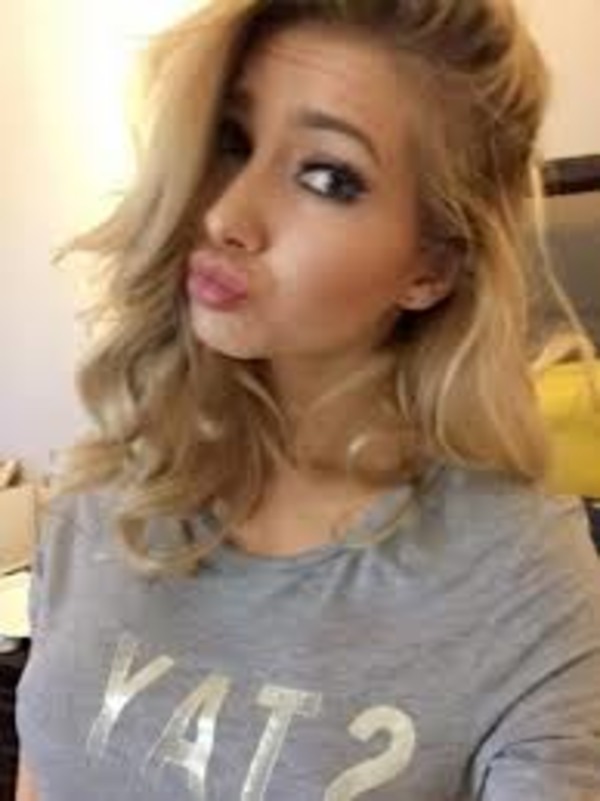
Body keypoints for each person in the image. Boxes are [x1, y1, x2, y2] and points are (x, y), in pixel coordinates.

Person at [15, 1, 600, 799]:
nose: (226, 215)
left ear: (432, 264)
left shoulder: (520, 582)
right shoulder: (105, 489)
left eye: (327, 177)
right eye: (231, 140)